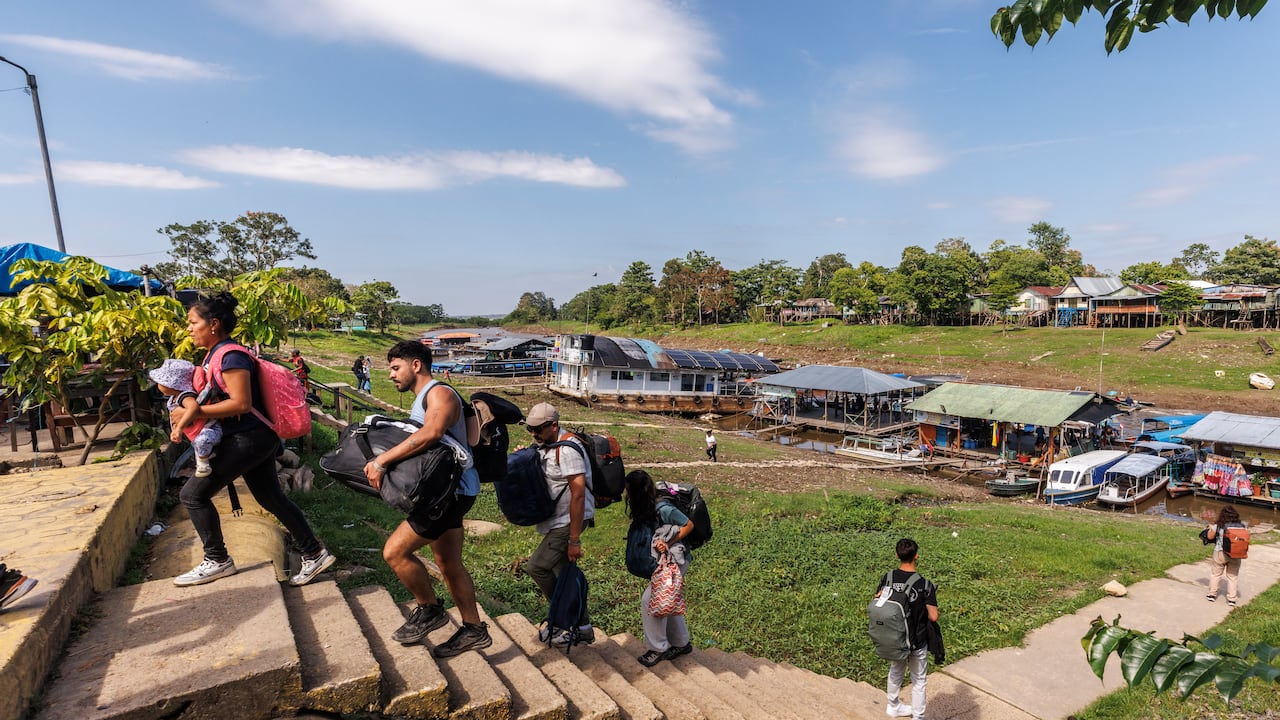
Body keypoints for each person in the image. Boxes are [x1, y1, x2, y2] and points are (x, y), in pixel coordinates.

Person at [173, 292, 335, 587]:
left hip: (248, 438)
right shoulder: (215, 355)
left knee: (192, 495)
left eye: (193, 322)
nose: (189, 328)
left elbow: (241, 403)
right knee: (270, 497)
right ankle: (314, 553)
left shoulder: (231, 356)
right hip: (254, 437)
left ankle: (217, 559)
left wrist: (194, 414)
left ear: (214, 324)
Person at [364, 340, 490, 658]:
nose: (391, 375)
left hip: (451, 492)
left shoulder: (440, 393)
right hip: (449, 491)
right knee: (448, 563)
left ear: (416, 365)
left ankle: (429, 609)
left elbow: (432, 432)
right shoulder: (424, 397)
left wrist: (381, 462)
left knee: (394, 552)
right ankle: (474, 630)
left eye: (395, 368)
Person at [524, 401, 595, 645]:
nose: (534, 434)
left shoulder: (568, 450)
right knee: (562, 572)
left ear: (554, 425)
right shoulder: (548, 443)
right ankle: (581, 626)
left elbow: (578, 494)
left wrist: (574, 540)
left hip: (570, 520)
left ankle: (564, 618)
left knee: (537, 567)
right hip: (558, 519)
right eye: (530, 429)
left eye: (539, 429)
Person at [625, 470, 694, 667]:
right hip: (665, 560)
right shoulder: (646, 506)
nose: (626, 495)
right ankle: (681, 643)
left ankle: (657, 648)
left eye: (629, 491)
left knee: (651, 599)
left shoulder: (663, 508)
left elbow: (689, 525)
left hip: (676, 560)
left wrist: (669, 541)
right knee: (667, 598)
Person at [876, 538, 939, 720]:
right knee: (918, 680)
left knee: (896, 670)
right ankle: (918, 717)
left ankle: (893, 706)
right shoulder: (924, 584)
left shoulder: (887, 578)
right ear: (916, 556)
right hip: (917, 640)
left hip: (895, 637)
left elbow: (878, 601)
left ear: (897, 555)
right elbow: (933, 616)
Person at [149, 358, 223, 477]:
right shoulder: (174, 397)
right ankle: (201, 462)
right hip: (199, 430)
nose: (158, 385)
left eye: (160, 382)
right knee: (199, 445)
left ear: (172, 384)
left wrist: (179, 429)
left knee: (202, 441)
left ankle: (203, 465)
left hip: (211, 428)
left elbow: (193, 408)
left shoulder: (184, 396)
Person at [1205, 506, 1247, 607]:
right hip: (1236, 554)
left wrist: (1210, 528)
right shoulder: (1242, 526)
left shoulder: (1219, 525)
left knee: (1216, 574)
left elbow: (1209, 537)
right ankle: (1232, 599)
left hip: (1220, 552)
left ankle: (1212, 595)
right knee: (1232, 577)